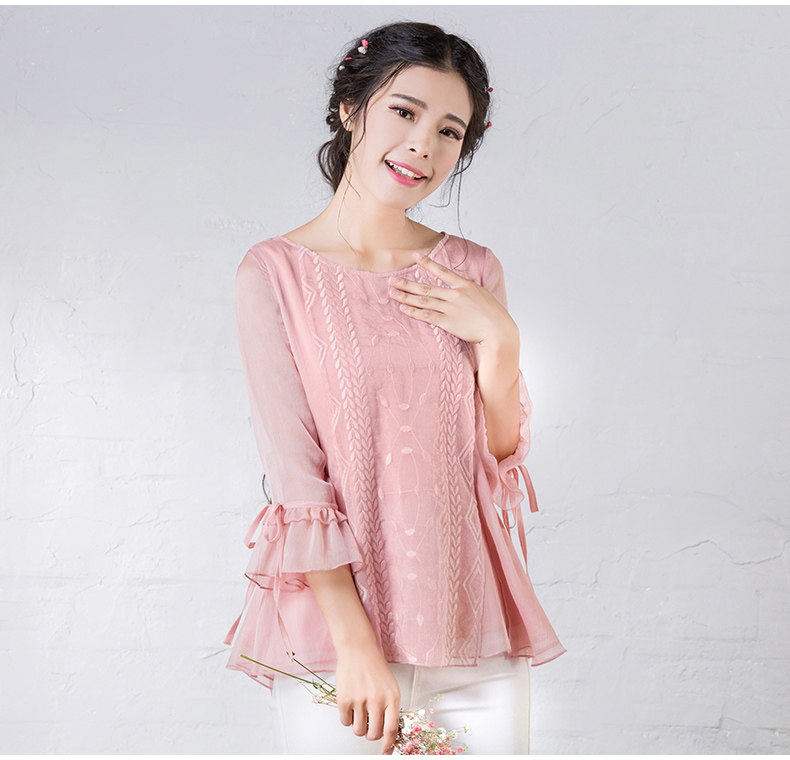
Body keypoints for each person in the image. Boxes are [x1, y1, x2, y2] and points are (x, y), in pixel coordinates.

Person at [224, 20, 566, 755]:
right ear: (351, 108)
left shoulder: (473, 270)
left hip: (473, 632)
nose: (422, 146)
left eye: (449, 131)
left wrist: (501, 344)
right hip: (337, 649)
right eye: (404, 112)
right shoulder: (274, 275)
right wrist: (355, 647)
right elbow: (297, 483)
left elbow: (492, 459)